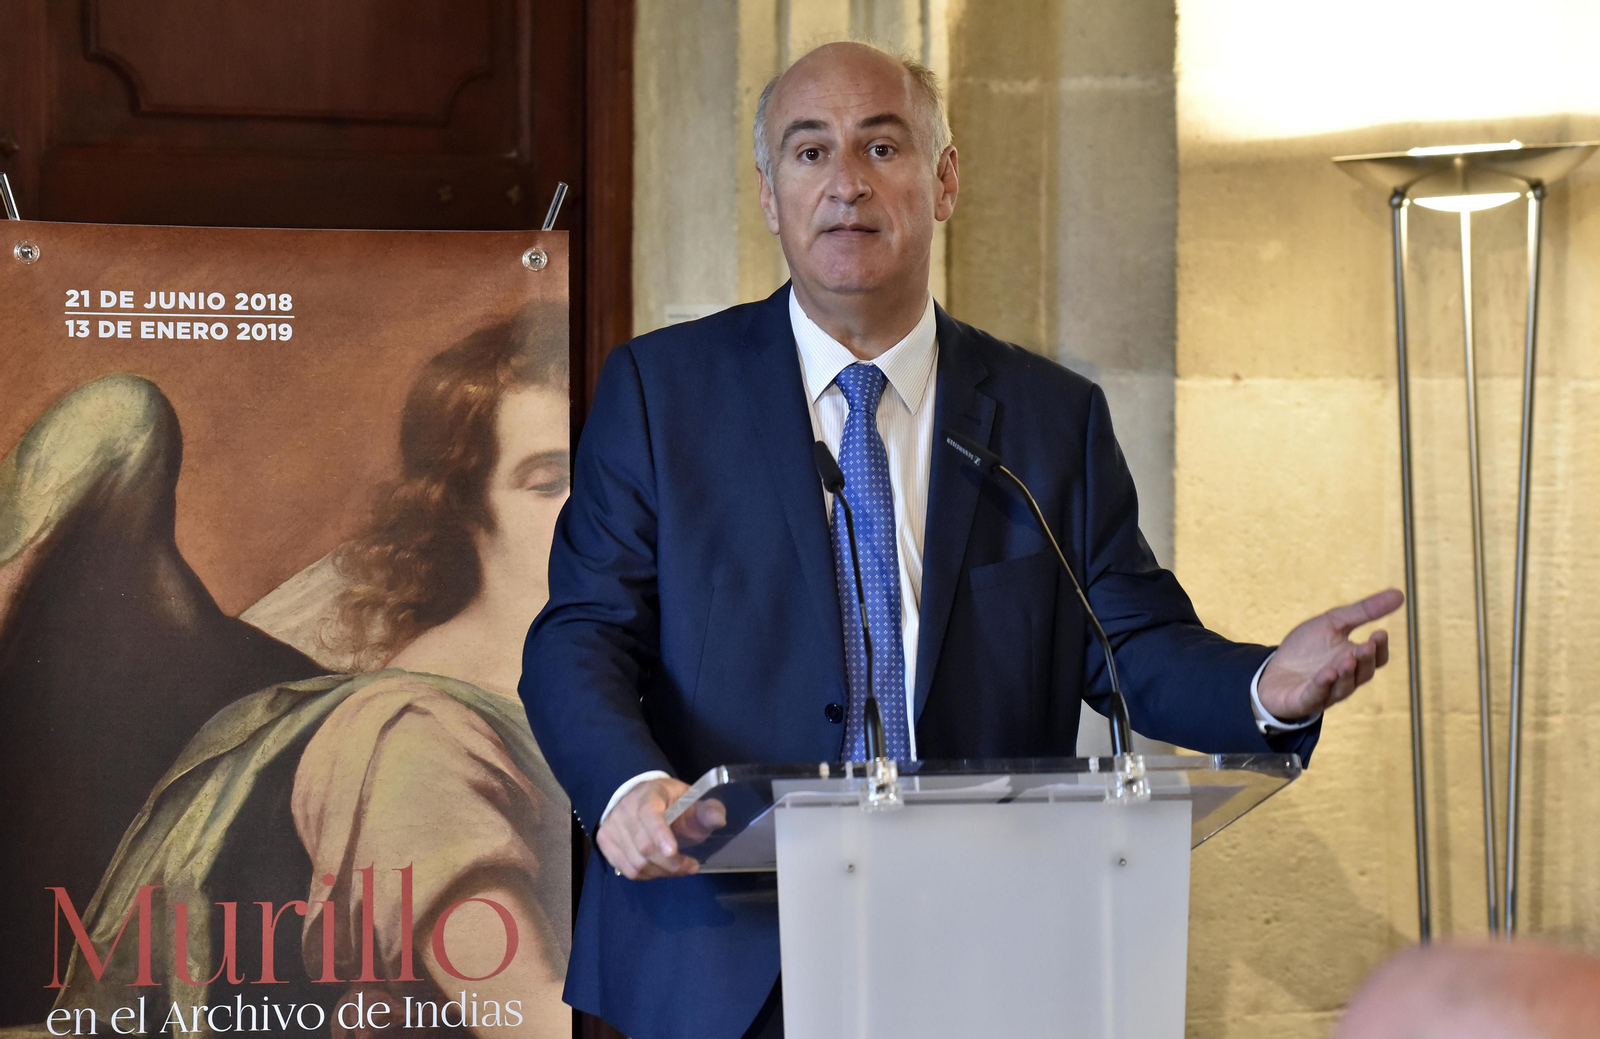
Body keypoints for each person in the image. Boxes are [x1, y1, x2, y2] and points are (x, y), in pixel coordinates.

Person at [520, 41, 1400, 1039]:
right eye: (808, 154)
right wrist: (633, 786)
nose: (846, 183)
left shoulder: (1043, 416)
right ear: (769, 196)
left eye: (881, 146)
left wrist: (1262, 689)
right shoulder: (660, 392)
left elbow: (1131, 645)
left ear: (942, 181)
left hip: (979, 937)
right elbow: (579, 633)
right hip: (721, 954)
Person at [2, 310, 572, 1038]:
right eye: (548, 480)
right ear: (467, 509)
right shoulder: (416, 740)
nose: (595, 507)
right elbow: (538, 1021)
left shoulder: (597, 685)